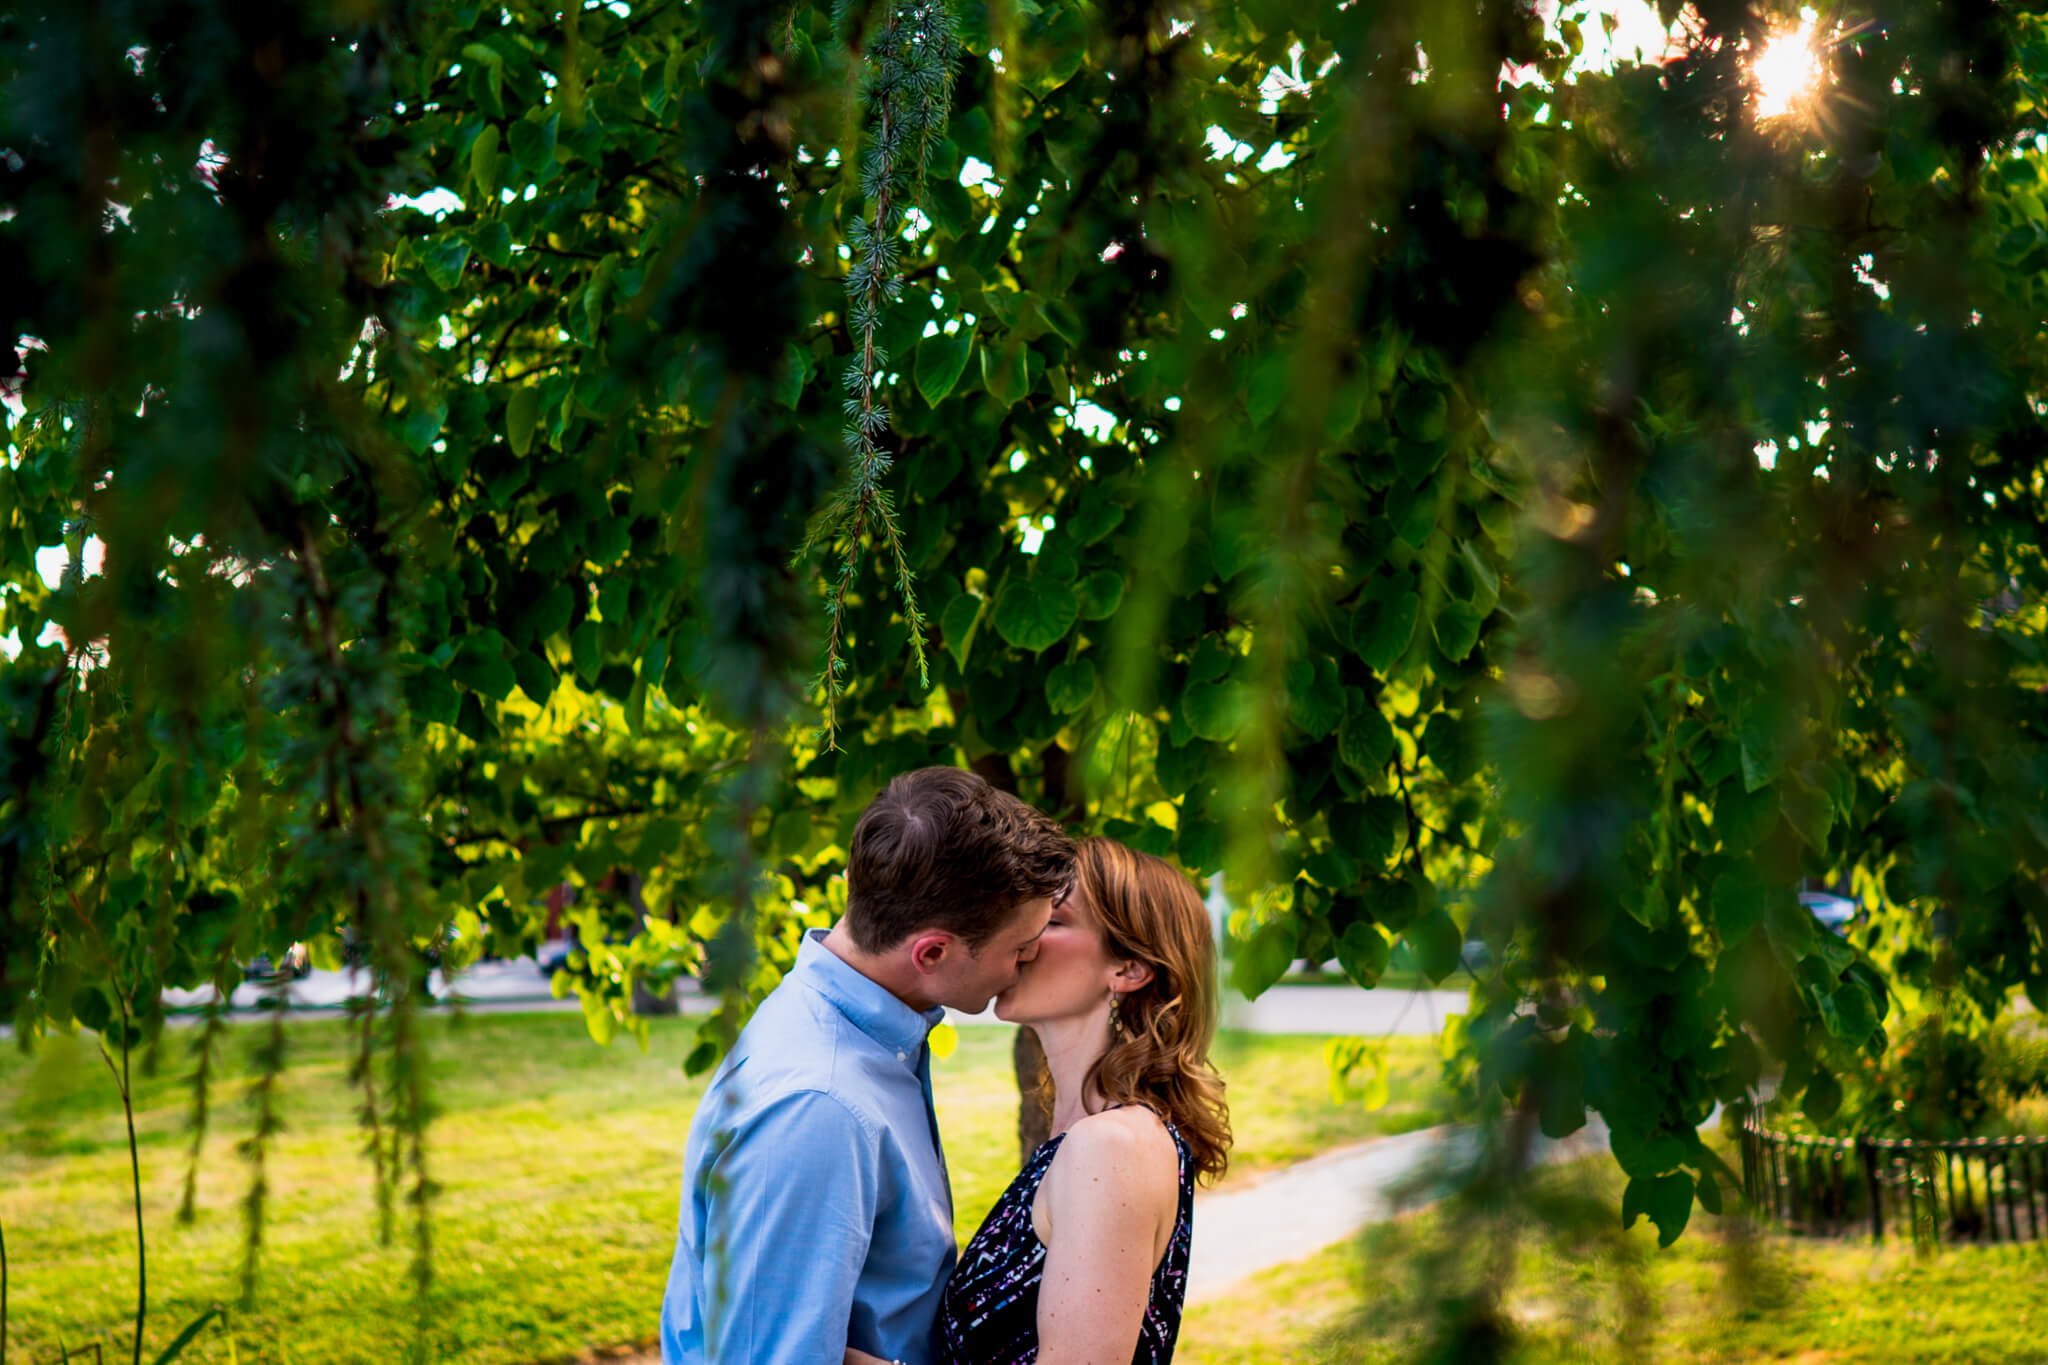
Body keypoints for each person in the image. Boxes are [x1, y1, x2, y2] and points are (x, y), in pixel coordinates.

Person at [658, 766, 1076, 1365]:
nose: (1029, 961)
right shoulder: (818, 1106)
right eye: (1021, 948)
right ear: (931, 952)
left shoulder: (875, 1034)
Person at [852, 836, 1232, 1365]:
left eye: (1052, 921)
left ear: (1128, 970)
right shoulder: (1084, 1135)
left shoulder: (1113, 1149)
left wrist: (814, 1349)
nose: (1022, 936)